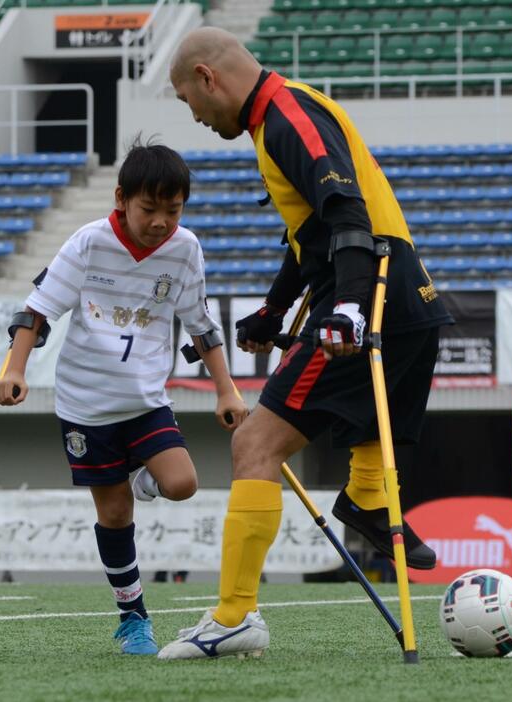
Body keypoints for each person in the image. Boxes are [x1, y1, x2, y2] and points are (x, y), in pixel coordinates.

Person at [159, 28, 453, 660]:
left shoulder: (286, 114)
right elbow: (312, 231)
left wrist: (345, 305)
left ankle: (235, 616)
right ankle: (368, 499)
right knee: (350, 424)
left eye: (188, 100)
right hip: (404, 297)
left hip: (369, 289)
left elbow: (345, 209)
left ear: (209, 78)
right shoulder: (281, 116)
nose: (197, 118)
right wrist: (273, 308)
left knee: (254, 443)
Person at [0, 139, 248, 656]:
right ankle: (133, 617)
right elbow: (36, 313)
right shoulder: (88, 243)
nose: (160, 222)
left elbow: (200, 326)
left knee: (182, 483)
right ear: (121, 199)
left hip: (145, 401)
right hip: (86, 407)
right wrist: (14, 370)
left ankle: (139, 471)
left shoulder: (185, 249)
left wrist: (227, 388)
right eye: (148, 209)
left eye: (172, 211)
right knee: (114, 516)